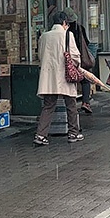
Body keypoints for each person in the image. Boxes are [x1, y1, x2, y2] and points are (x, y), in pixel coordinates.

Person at [33, 9, 82, 146]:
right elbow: (74, 56)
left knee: (48, 106)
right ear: (64, 22)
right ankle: (73, 133)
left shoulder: (44, 36)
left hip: (48, 75)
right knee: (71, 105)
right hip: (65, 75)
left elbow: (41, 56)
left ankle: (41, 135)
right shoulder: (68, 35)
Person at [66, 12, 98, 115]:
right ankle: (86, 102)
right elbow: (87, 42)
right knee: (85, 81)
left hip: (67, 60)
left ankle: (71, 105)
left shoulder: (65, 31)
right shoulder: (80, 28)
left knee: (70, 82)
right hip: (80, 58)